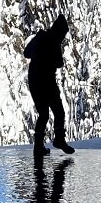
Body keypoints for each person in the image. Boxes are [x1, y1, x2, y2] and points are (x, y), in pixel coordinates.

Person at [24, 14, 74, 156]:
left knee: (43, 114)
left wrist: (37, 49)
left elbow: (26, 53)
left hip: (34, 80)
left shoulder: (40, 37)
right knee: (58, 111)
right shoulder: (54, 41)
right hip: (47, 81)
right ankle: (59, 139)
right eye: (63, 34)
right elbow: (59, 63)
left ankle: (38, 146)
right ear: (60, 32)